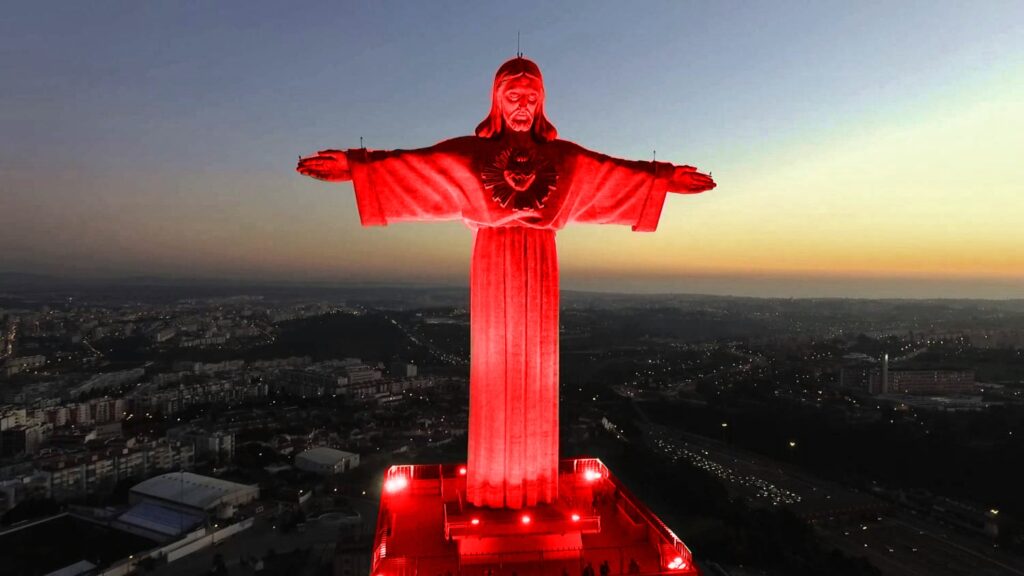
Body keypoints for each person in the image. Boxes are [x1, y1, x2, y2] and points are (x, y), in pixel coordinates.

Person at [297, 57, 714, 509]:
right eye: (513, 96)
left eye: (532, 98)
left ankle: (535, 488)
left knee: (537, 367)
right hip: (493, 262)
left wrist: (665, 178)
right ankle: (493, 489)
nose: (522, 106)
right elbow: (415, 165)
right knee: (496, 368)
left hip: (541, 262)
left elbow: (611, 173)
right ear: (496, 100)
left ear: (542, 103)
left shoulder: (564, 158)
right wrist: (357, 167)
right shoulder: (471, 154)